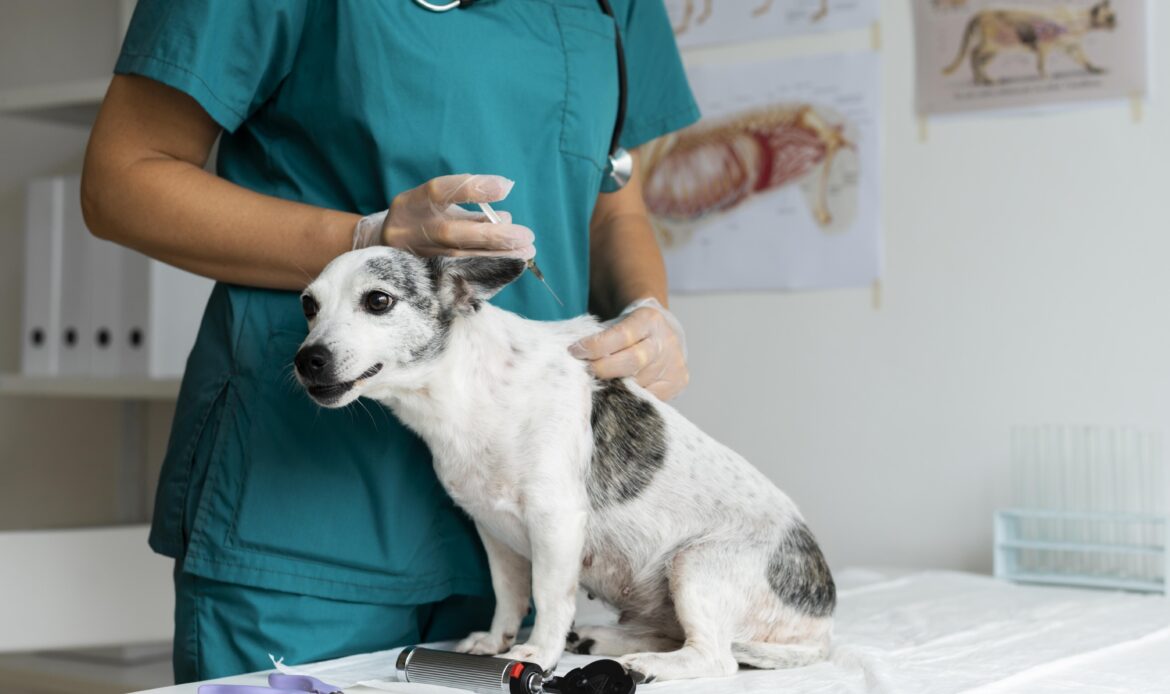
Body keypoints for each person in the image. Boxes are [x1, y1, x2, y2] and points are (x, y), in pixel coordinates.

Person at [81, 0, 698, 682]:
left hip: (530, 501)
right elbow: (124, 177)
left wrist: (650, 314)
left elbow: (612, 198)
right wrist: (364, 241)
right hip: (310, 503)